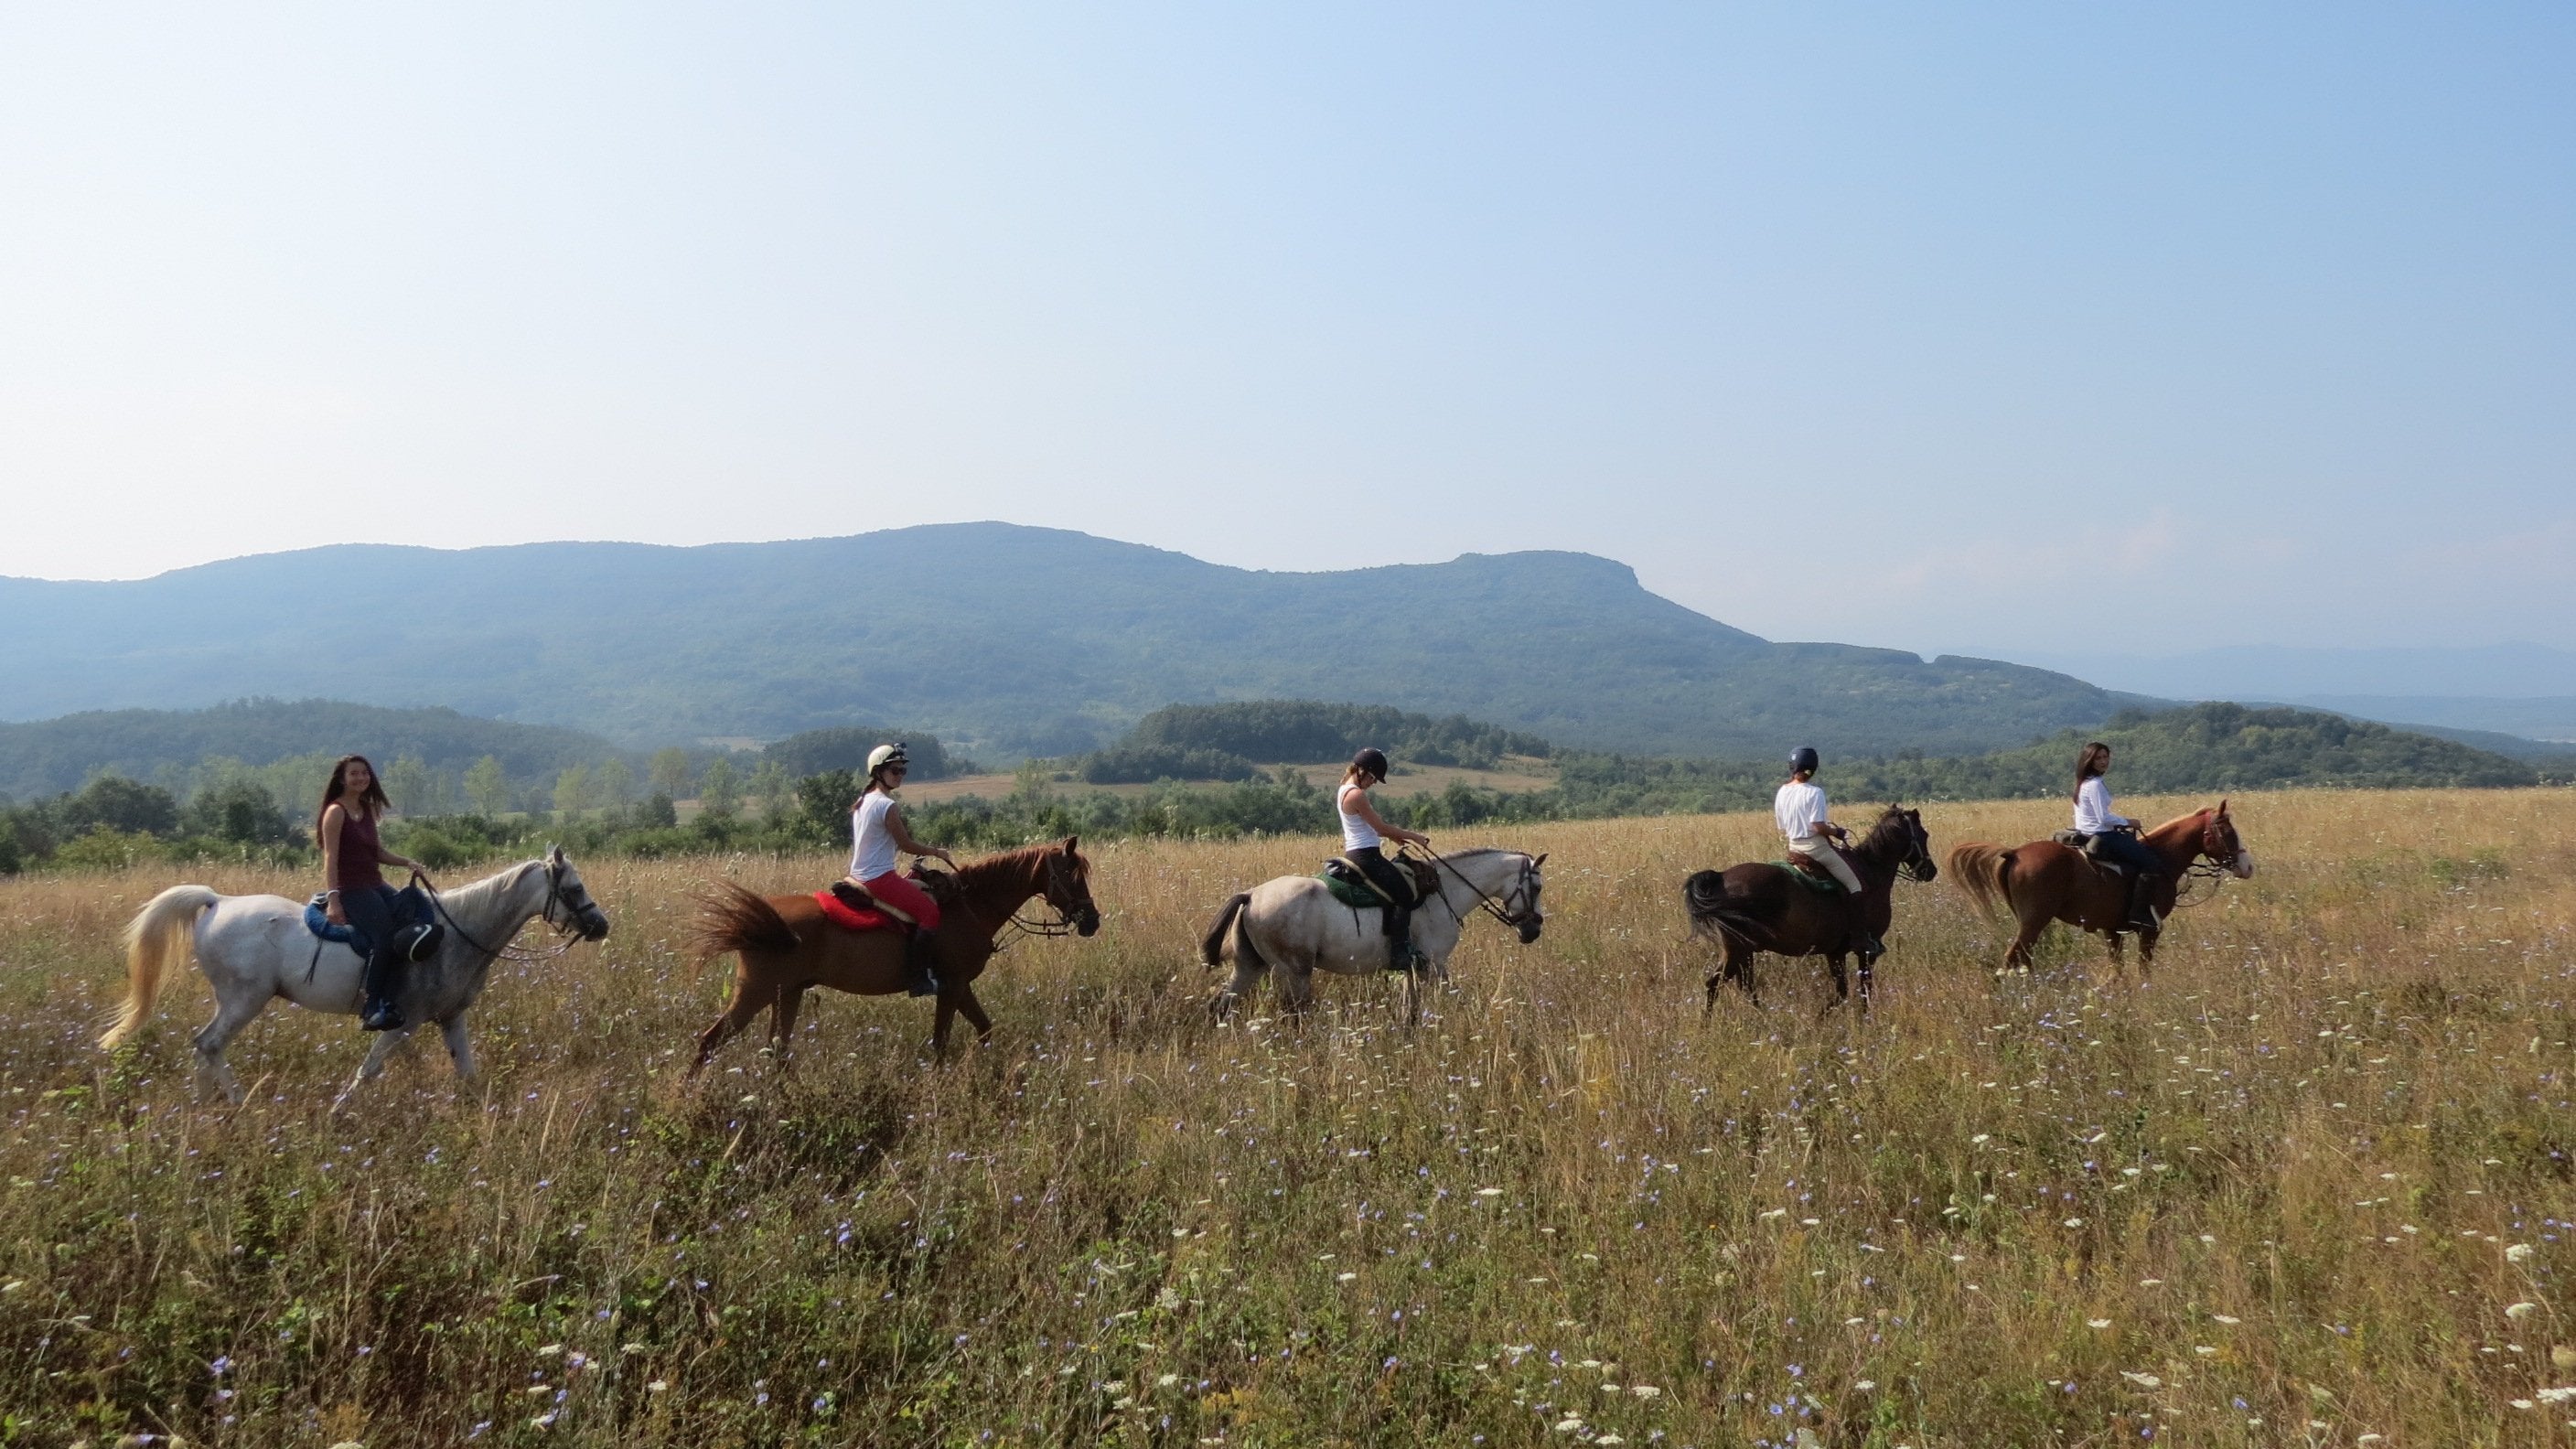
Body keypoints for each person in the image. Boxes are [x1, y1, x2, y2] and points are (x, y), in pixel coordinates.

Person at [317, 755, 436, 1031]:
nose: (360, 778)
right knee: (385, 937)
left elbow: (377, 853)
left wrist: (407, 862)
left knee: (411, 922)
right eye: (354, 774)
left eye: (365, 773)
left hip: (374, 883)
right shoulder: (335, 812)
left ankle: (396, 997)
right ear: (341, 779)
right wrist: (334, 899)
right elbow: (330, 859)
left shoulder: (367, 809)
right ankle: (372, 1006)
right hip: (351, 888)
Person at [835, 744, 957, 997]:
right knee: (930, 914)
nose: (900, 775)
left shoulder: (863, 801)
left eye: (903, 770)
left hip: (858, 875)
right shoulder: (887, 805)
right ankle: (918, 979)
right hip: (878, 878)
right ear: (878, 772)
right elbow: (906, 844)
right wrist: (937, 852)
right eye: (895, 770)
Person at [1775, 746, 1884, 960]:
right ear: (1812, 769)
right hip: (1816, 848)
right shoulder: (1814, 793)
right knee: (1856, 886)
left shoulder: (1782, 792)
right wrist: (1837, 832)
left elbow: (1782, 825)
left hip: (1793, 848)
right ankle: (1860, 939)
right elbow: (1818, 827)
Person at [1338, 747, 1433, 972]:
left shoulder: (1344, 789)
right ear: (1361, 771)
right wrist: (1414, 837)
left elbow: (1375, 829)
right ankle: (1400, 952)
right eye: (1372, 777)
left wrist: (1397, 838)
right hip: (1366, 856)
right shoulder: (1356, 795)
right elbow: (1380, 828)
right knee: (1404, 894)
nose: (1373, 783)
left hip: (1360, 852)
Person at [2073, 741, 2165, 933]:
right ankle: (2138, 915)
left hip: (2086, 833)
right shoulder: (2095, 785)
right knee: (2152, 864)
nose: (2103, 761)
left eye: (2105, 757)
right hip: (2102, 835)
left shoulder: (2083, 783)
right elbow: (2103, 818)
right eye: (2098, 758)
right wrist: (2129, 822)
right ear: (2089, 760)